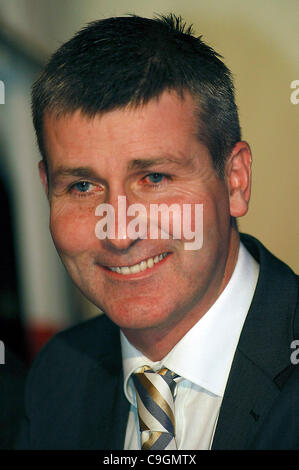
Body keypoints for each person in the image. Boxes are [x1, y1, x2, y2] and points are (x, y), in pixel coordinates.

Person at [16, 14, 298, 450]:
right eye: (83, 186)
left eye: (154, 178)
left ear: (235, 180)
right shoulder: (59, 375)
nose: (120, 232)